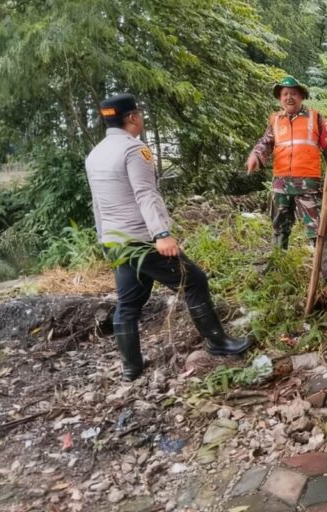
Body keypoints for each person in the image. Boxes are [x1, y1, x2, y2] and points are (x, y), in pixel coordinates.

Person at [86, 93, 253, 381]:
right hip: (142, 239)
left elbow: (97, 203)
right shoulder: (133, 150)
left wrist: (104, 239)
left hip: (116, 241)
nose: (141, 118)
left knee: (128, 302)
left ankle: (131, 367)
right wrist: (161, 234)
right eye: (139, 114)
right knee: (194, 279)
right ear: (132, 117)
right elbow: (145, 194)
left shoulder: (95, 153)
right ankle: (218, 342)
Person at [246, 76, 327, 284]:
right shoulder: (275, 120)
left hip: (308, 185)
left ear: (301, 96)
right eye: (285, 94)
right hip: (281, 184)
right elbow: (265, 143)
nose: (289, 97)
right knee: (280, 226)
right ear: (279, 98)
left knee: (318, 228)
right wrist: (256, 156)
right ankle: (278, 267)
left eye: (293, 93)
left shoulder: (316, 118)